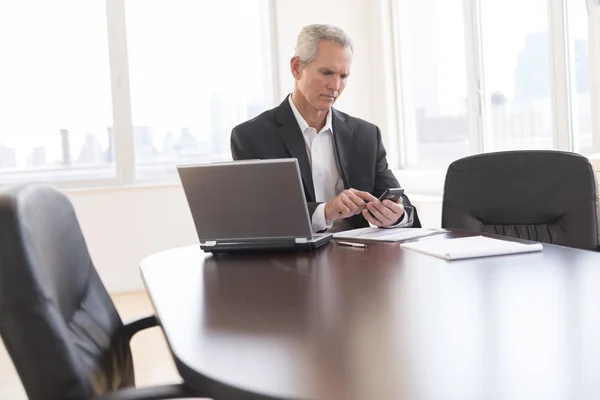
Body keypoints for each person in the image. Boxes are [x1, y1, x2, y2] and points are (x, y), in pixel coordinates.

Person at [230, 24, 420, 232]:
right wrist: (324, 212)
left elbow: (402, 206)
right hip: (290, 260)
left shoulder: (367, 135)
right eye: (327, 73)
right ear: (296, 68)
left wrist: (396, 216)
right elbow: (257, 216)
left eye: (343, 76)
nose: (335, 86)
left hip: (359, 258)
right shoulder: (251, 137)